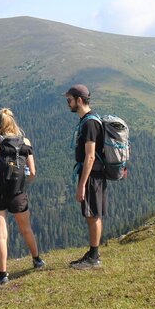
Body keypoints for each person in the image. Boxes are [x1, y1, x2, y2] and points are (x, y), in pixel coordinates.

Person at [0, 108, 45, 286]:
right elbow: (33, 173)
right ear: (13, 121)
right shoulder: (25, 141)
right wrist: (21, 184)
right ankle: (37, 260)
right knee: (26, 229)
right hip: (17, 194)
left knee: (1, 235)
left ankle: (3, 274)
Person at [66, 84, 105, 269]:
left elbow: (90, 155)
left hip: (92, 175)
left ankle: (94, 258)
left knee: (93, 214)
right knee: (91, 214)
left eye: (70, 100)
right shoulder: (89, 120)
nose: (68, 104)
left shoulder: (89, 123)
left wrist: (82, 184)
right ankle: (92, 253)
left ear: (79, 100)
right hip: (92, 174)